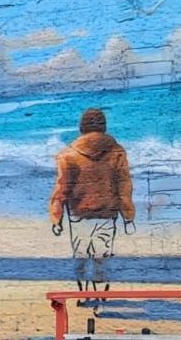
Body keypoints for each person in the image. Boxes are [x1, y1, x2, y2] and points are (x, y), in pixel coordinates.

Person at [49, 108, 135, 296]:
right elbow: (124, 187)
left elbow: (62, 189)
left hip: (78, 215)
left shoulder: (68, 155)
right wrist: (128, 217)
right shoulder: (117, 152)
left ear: (82, 127)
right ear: (104, 127)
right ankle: (100, 295)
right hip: (106, 215)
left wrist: (56, 218)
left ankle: (83, 294)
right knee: (101, 257)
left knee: (80, 256)